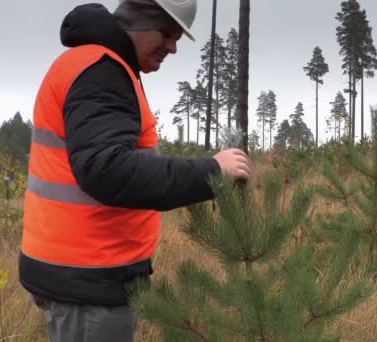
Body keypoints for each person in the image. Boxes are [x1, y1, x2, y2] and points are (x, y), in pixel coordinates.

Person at [18, 1, 251, 341]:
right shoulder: (101, 72)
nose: (172, 47)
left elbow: (120, 157)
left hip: (83, 269)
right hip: (89, 276)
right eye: (167, 34)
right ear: (140, 22)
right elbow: (108, 170)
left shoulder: (99, 65)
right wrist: (212, 171)